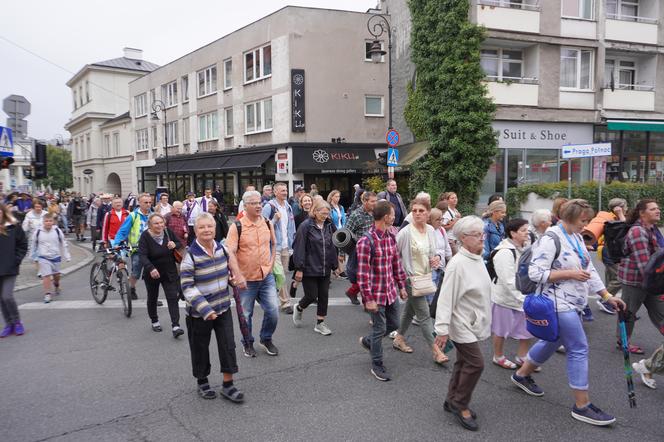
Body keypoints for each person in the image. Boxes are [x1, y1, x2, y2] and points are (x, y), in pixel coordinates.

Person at [512, 199, 625, 427]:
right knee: (579, 347)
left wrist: (606, 295)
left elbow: (588, 268)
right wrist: (569, 274)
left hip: (574, 302)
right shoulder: (551, 238)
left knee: (555, 341)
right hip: (556, 303)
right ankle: (582, 405)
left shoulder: (574, 236)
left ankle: (521, 374)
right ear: (569, 218)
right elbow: (535, 273)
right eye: (583, 221)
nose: (586, 225)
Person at [434, 216, 492, 431]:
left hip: (471, 322)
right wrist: (441, 330)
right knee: (476, 363)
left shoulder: (477, 258)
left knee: (463, 363)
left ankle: (451, 399)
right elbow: (446, 299)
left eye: (482, 234)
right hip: (461, 324)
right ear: (463, 238)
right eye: (477, 235)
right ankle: (460, 404)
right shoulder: (458, 265)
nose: (482, 238)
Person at [180, 212, 247, 401]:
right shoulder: (190, 256)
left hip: (223, 307)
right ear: (196, 231)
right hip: (199, 313)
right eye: (202, 227)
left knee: (228, 345)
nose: (206, 230)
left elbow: (225, 275)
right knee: (200, 347)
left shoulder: (222, 250)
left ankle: (228, 385)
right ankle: (202, 381)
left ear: (215, 229)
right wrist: (205, 309)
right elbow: (187, 287)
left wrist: (234, 281)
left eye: (209, 226)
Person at [392, 198, 448, 365]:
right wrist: (400, 281)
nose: (417, 213)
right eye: (414, 210)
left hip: (425, 278)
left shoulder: (431, 230)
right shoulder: (405, 233)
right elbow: (395, 257)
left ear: (428, 213)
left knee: (410, 310)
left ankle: (399, 338)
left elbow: (433, 252)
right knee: (424, 316)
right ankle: (436, 351)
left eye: (421, 211)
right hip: (410, 278)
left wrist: (436, 259)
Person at [358, 200, 408, 381]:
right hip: (376, 295)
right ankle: (377, 364)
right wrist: (368, 299)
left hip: (390, 291)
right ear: (386, 217)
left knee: (394, 324)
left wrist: (401, 285)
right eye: (393, 214)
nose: (395, 217)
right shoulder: (366, 241)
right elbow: (362, 275)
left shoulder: (390, 237)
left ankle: (369, 342)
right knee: (379, 329)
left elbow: (396, 264)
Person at [226, 190, 279, 358]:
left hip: (266, 276)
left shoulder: (267, 223)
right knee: (246, 314)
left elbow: (273, 244)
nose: (258, 206)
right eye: (254, 203)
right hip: (245, 279)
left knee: (273, 311)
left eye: (259, 203)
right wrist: (237, 275)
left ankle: (266, 338)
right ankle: (247, 342)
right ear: (245, 206)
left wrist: (270, 265)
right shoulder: (237, 226)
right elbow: (230, 252)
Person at [617, 198, 664, 355]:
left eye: (657, 208)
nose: (657, 211)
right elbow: (645, 265)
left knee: (660, 311)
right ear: (642, 213)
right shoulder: (638, 232)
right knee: (628, 313)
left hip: (651, 281)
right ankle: (623, 342)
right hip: (634, 282)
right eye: (652, 209)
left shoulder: (651, 228)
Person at [490, 218, 534, 370]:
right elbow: (508, 280)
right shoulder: (504, 252)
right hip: (505, 298)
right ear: (513, 233)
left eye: (527, 229)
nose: (527, 233)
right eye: (523, 230)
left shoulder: (527, 247)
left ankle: (522, 357)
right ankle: (498, 356)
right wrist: (522, 298)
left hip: (524, 296)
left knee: (526, 329)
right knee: (501, 330)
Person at [292, 199, 338, 335]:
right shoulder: (306, 226)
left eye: (327, 213)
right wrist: (299, 269)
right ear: (315, 212)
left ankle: (320, 323)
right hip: (309, 267)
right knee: (311, 296)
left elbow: (333, 245)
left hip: (325, 266)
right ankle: (299, 307)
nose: (325, 216)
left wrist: (335, 266)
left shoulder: (329, 225)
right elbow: (299, 247)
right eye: (323, 213)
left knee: (324, 295)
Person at [138, 213, 183, 338]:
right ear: (150, 225)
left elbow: (180, 244)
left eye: (161, 223)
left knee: (172, 297)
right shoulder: (145, 236)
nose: (159, 225)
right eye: (156, 223)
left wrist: (175, 245)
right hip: (152, 273)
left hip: (169, 271)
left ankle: (176, 325)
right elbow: (142, 255)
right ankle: (154, 320)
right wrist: (150, 268)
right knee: (152, 297)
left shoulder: (168, 232)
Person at [262, 182, 296, 314]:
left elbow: (291, 227)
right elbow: (263, 227)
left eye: (286, 190)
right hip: (274, 246)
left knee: (281, 275)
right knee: (280, 274)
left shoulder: (288, 206)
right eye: (282, 190)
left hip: (286, 246)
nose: (285, 192)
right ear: (275, 192)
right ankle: (285, 303)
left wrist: (292, 244)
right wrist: (274, 219)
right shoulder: (268, 207)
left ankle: (270, 292)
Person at [113, 193, 154, 301]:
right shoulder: (133, 215)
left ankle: (152, 297)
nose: (148, 204)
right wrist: (116, 243)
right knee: (136, 271)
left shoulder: (153, 215)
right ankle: (132, 288)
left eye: (150, 202)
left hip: (152, 249)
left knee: (151, 273)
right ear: (139, 203)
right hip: (137, 249)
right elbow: (122, 231)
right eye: (146, 202)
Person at [595, 198, 627, 316]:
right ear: (619, 208)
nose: (626, 209)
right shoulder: (612, 220)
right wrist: (620, 214)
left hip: (605, 251)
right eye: (625, 206)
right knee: (618, 279)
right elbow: (625, 228)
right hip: (609, 252)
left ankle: (608, 302)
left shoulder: (610, 217)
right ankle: (605, 300)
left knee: (611, 277)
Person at [344, 191, 377, 305]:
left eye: (376, 201)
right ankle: (367, 303)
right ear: (364, 201)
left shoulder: (375, 213)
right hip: (360, 251)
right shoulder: (356, 215)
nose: (375, 203)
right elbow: (345, 233)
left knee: (371, 276)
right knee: (364, 277)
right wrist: (342, 254)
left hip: (374, 250)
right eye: (372, 201)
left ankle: (352, 292)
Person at [0, 204, 28, 338]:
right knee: (1, 298)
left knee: (7, 296)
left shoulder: (13, 226)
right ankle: (8, 324)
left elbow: (23, 244)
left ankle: (17, 322)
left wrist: (16, 259)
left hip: (10, 267)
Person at [31, 213, 71, 303]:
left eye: (50, 221)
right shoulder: (38, 231)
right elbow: (33, 244)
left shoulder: (57, 230)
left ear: (53, 222)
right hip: (43, 257)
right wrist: (32, 255)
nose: (48, 223)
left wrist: (67, 255)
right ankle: (47, 294)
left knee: (56, 275)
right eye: (46, 221)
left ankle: (56, 285)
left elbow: (63, 243)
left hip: (56, 256)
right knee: (46, 275)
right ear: (43, 222)